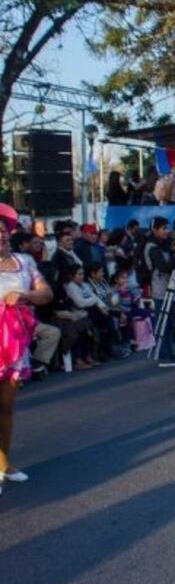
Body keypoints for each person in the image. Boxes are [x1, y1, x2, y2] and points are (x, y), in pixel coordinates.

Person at [0, 203, 53, 495]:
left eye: (3, 232)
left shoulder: (25, 262)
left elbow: (47, 293)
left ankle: (4, 464)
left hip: (14, 343)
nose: (1, 237)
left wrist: (25, 295)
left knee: (6, 406)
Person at [144, 217, 175, 367]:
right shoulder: (152, 247)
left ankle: (170, 353)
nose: (166, 231)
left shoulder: (162, 245)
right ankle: (164, 355)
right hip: (160, 289)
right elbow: (164, 267)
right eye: (163, 229)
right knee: (163, 323)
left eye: (167, 228)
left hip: (169, 287)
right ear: (155, 230)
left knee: (170, 323)